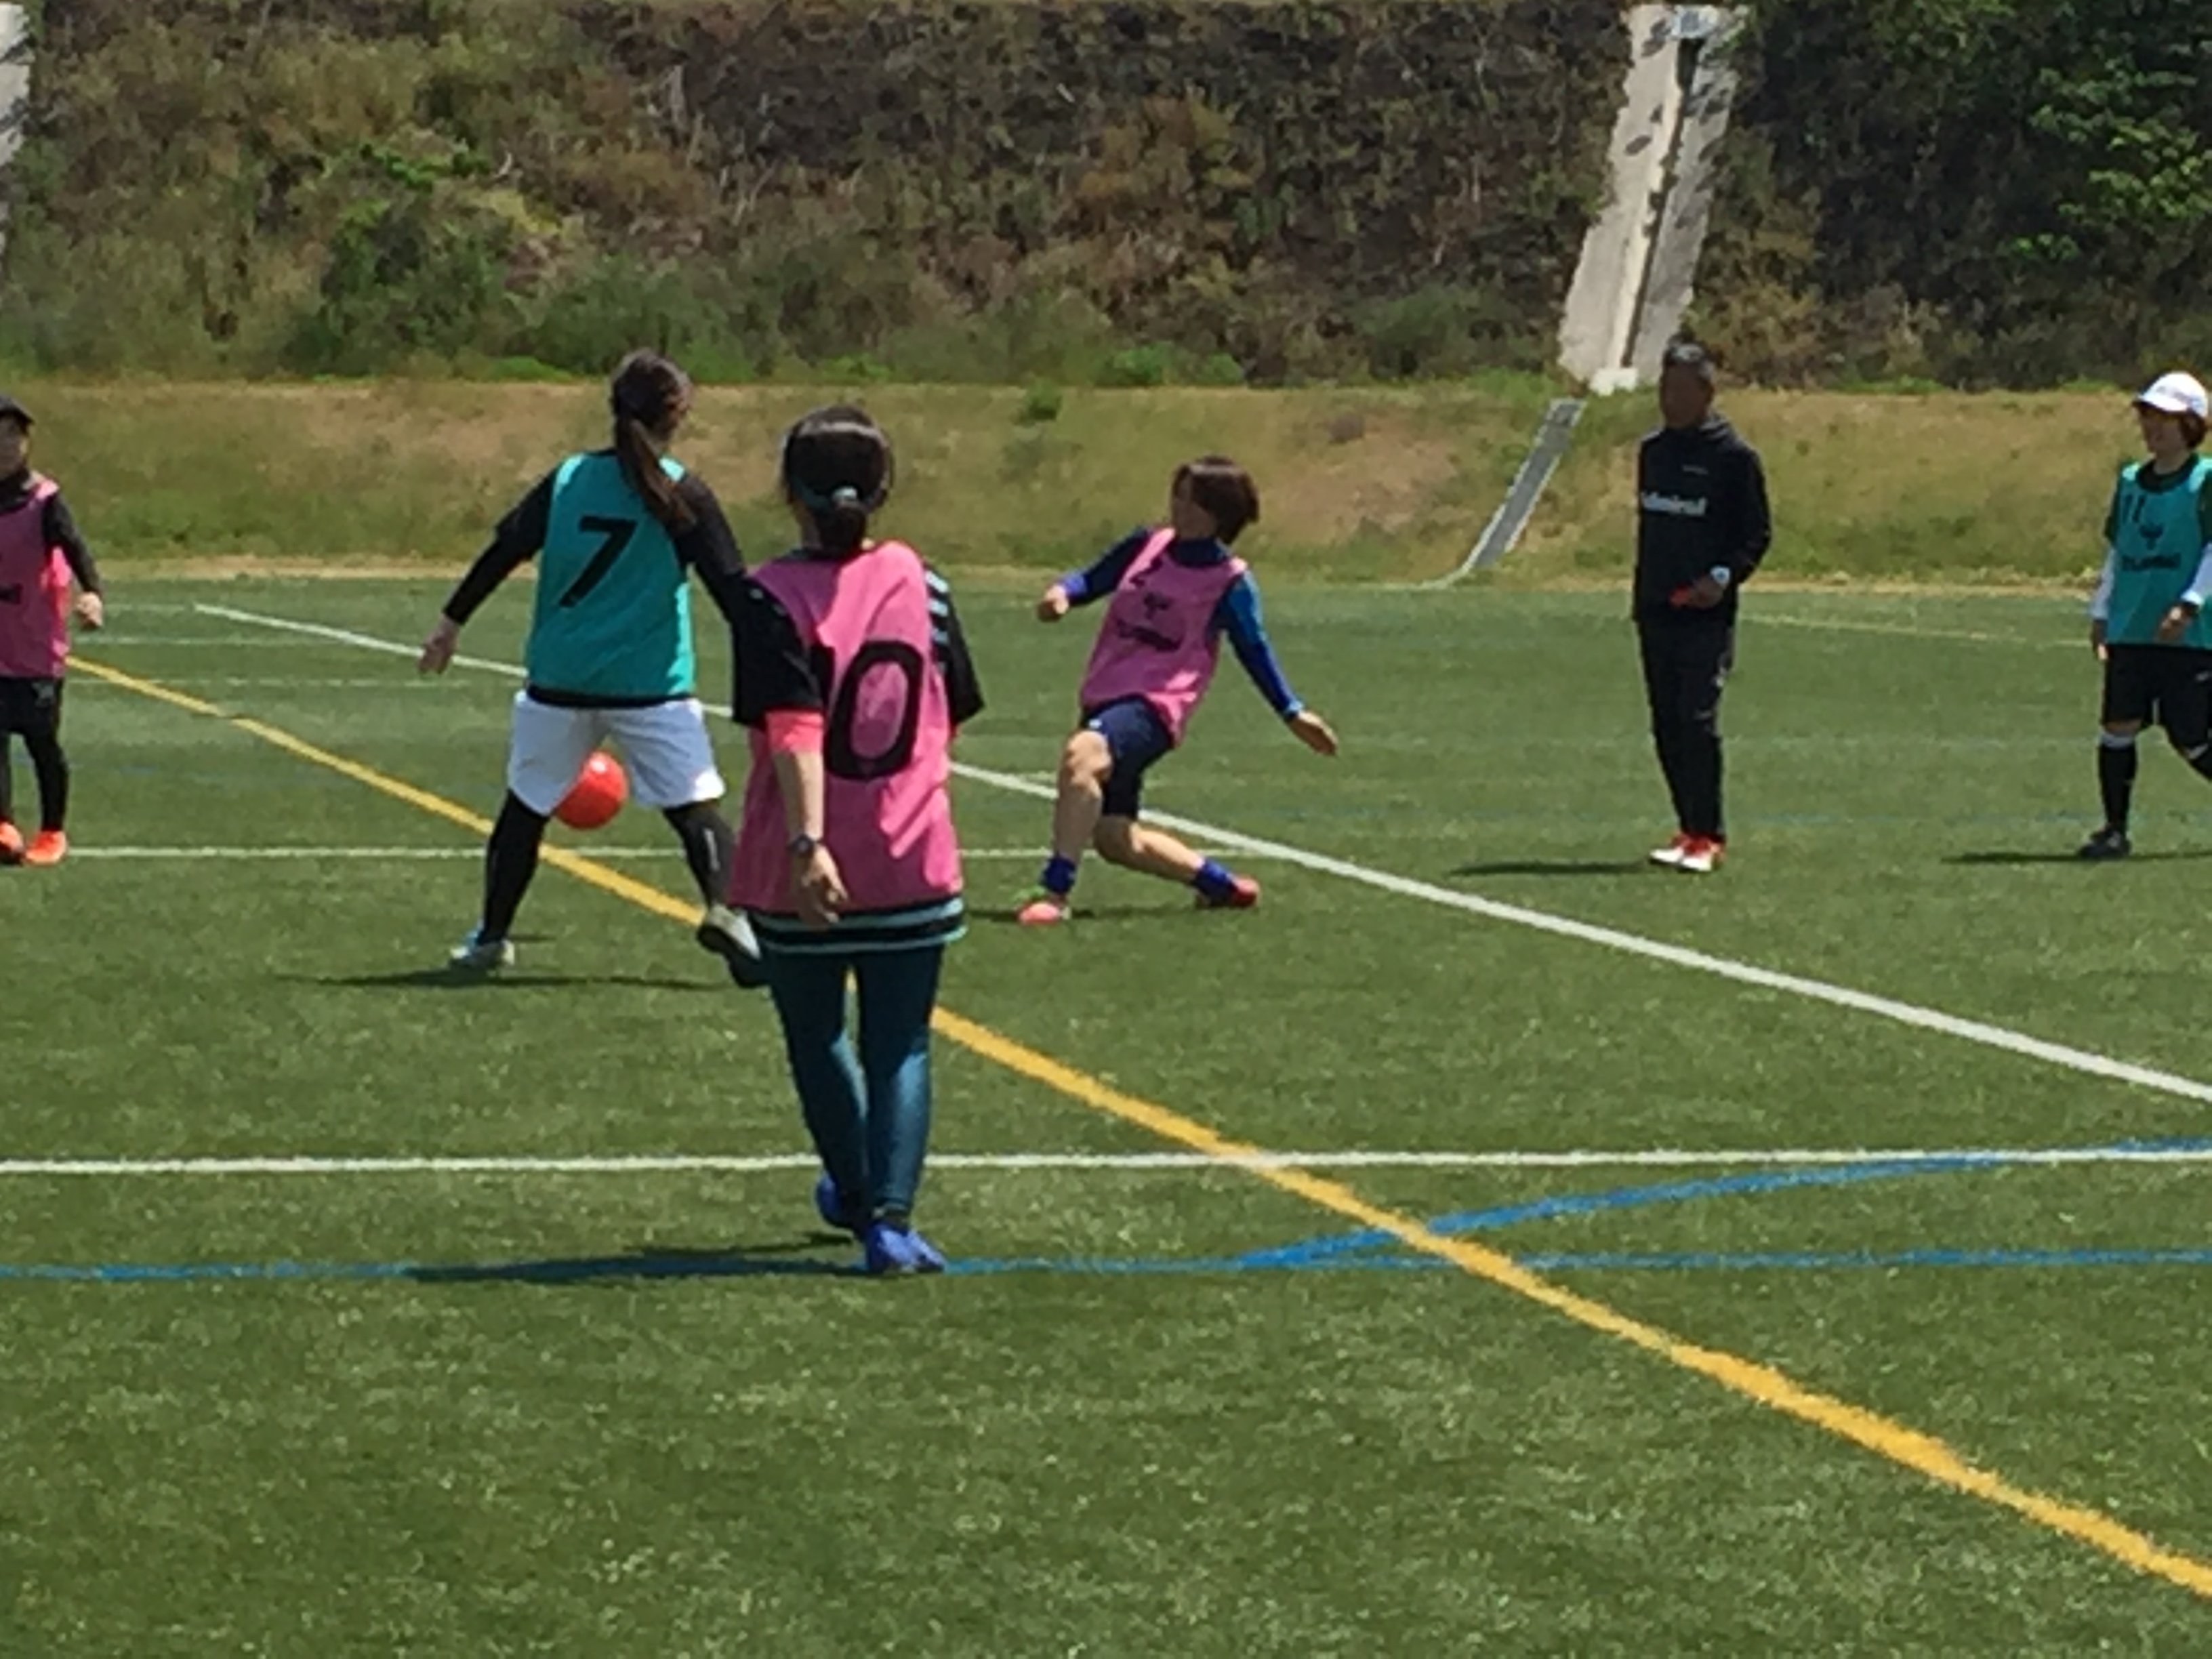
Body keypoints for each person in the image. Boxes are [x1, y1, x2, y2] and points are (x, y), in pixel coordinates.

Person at [726, 406, 983, 1275]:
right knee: (902, 1040)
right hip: (913, 850)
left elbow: (794, 727)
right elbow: (955, 705)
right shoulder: (926, 581)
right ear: (883, 493)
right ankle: (889, 1217)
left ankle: (857, 1186)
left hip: (806, 861)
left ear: (786, 493)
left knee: (815, 1035)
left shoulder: (767, 594)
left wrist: (809, 844)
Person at [416, 350, 764, 984]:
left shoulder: (570, 478)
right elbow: (732, 591)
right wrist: (777, 659)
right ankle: (728, 911)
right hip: (649, 684)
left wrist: (451, 620)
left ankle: (490, 937)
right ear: (678, 416)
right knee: (695, 809)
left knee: (524, 810)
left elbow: (505, 549)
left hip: (561, 679)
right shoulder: (683, 491)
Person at [1015, 457, 1336, 925]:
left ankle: (1055, 891)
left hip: (1154, 708)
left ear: (1220, 516)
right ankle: (1220, 886)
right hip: (1104, 697)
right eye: (1179, 495)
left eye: (1195, 501)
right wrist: (1062, 594)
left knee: (1082, 755)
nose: (1180, 508)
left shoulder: (1230, 581)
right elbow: (1092, 578)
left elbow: (1254, 650)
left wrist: (1292, 711)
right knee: (1114, 838)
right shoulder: (1148, 545)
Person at [1633, 340, 1771, 874]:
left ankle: (1709, 834)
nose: (1670, 400)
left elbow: (1755, 535)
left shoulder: (1733, 459)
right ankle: (1686, 828)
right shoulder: (1654, 452)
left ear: (1707, 393)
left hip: (1705, 617)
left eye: (1681, 390)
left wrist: (1719, 578)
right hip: (1655, 611)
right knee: (1665, 724)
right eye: (1664, 389)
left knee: (1697, 720)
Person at [2078, 371, 2212, 860]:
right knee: (2118, 725)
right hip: (2133, 627)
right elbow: (2119, 550)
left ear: (2192, 424)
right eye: (2149, 416)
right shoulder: (2131, 481)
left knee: (2190, 737)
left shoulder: (2205, 481)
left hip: (2188, 635)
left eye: (2166, 418)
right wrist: (2101, 611)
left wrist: (2190, 602)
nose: (2153, 427)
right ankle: (2114, 830)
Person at [0, 393, 104, 867]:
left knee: (41, 738)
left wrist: (92, 593)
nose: (3, 446)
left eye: (12, 436)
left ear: (24, 443)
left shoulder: (44, 500)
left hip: (34, 644)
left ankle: (51, 830)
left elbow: (75, 547)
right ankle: (2, 824)